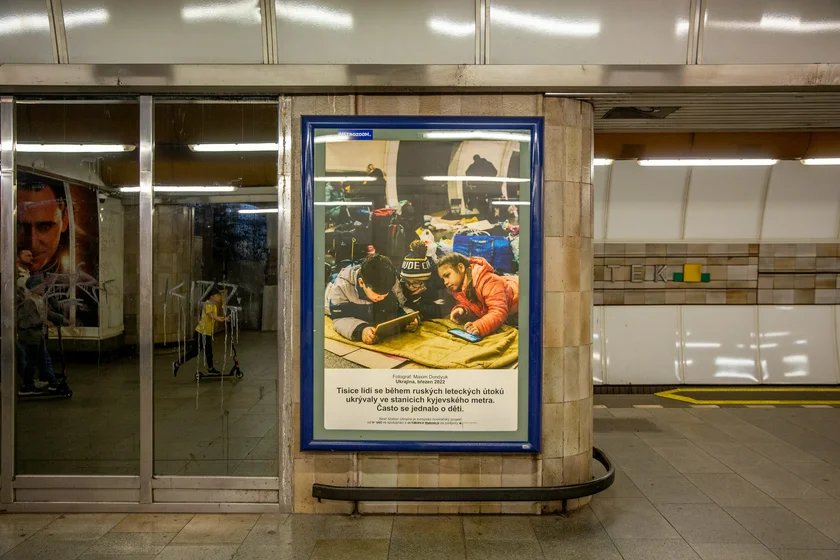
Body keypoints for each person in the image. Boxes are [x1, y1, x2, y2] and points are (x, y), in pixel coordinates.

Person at [325, 254, 417, 344]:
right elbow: (339, 318)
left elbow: (399, 306)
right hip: (329, 291)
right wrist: (361, 330)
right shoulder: (342, 287)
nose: (382, 297)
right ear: (361, 283)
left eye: (386, 293)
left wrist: (409, 318)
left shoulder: (390, 281)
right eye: (377, 293)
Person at [437, 252, 519, 338]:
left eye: (447, 275)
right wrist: (463, 310)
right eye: (443, 279)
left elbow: (499, 311)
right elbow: (475, 306)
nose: (445, 282)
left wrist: (480, 326)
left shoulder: (488, 281)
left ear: (461, 267)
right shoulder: (459, 288)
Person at [17, 276, 63, 395]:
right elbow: (29, 320)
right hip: (31, 337)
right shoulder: (29, 301)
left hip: (38, 336)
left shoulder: (38, 299)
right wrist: (44, 322)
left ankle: (50, 382)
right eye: (41, 285)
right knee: (32, 362)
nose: (44, 286)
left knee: (43, 359)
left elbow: (47, 312)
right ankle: (27, 387)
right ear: (34, 287)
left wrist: (62, 319)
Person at [173, 289, 229, 376]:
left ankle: (210, 368)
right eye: (218, 296)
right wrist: (222, 319)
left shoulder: (213, 305)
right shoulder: (208, 304)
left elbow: (214, 316)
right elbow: (212, 316)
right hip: (202, 332)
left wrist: (224, 318)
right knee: (195, 352)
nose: (220, 297)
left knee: (207, 351)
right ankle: (177, 363)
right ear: (212, 297)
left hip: (206, 333)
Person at [400, 240, 443, 320]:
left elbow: (437, 312)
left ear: (425, 282)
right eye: (407, 282)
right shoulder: (402, 286)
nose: (410, 287)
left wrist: (416, 300)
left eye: (415, 282)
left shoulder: (432, 288)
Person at [464, 154, 498, 219]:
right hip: (489, 185)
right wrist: (489, 177)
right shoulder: (488, 164)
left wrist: (475, 178)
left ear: (474, 159)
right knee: (490, 201)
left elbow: (467, 173)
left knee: (481, 201)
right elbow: (495, 172)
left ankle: (484, 215)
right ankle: (490, 215)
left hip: (479, 187)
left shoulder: (473, 166)